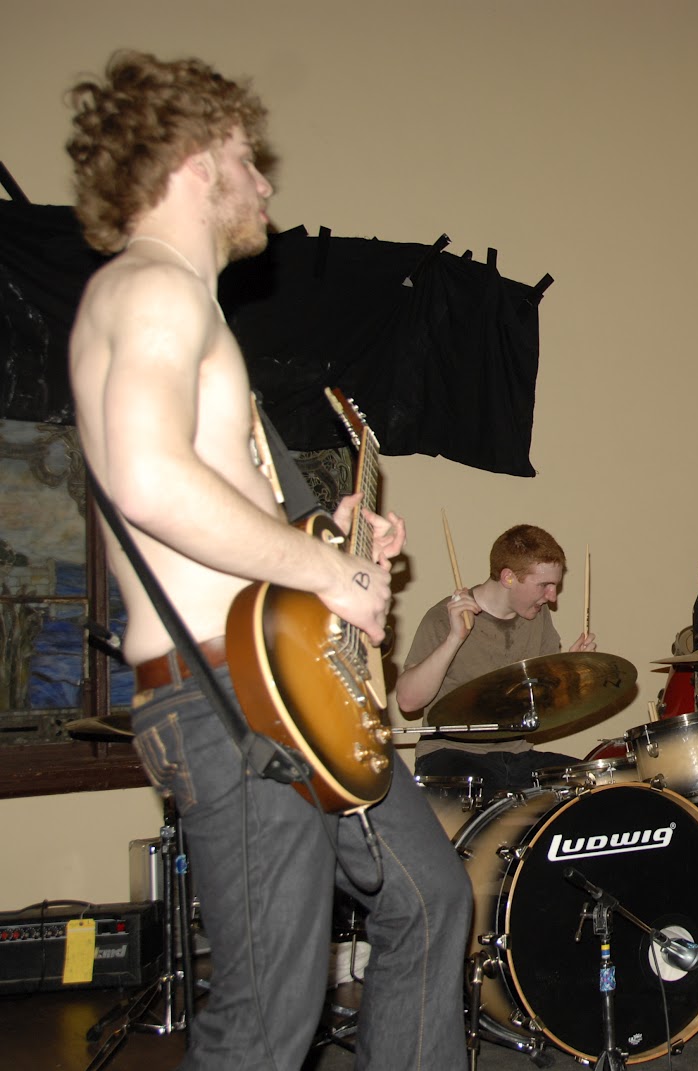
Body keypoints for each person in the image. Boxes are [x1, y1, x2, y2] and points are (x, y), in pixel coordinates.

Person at [66, 51, 470, 1070]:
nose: (264, 184)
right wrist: (329, 574)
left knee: (430, 898)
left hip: (284, 690)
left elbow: (228, 514)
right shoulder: (153, 289)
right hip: (227, 700)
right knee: (264, 1022)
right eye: (248, 157)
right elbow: (147, 478)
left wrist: (334, 540)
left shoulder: (184, 311)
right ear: (196, 158)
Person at [396, 523, 598, 790]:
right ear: (508, 577)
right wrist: (454, 638)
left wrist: (568, 671)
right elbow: (408, 701)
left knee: (592, 785)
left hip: (516, 755)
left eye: (555, 586)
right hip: (450, 755)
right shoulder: (443, 618)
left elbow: (541, 703)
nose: (551, 597)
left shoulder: (538, 618)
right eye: (544, 585)